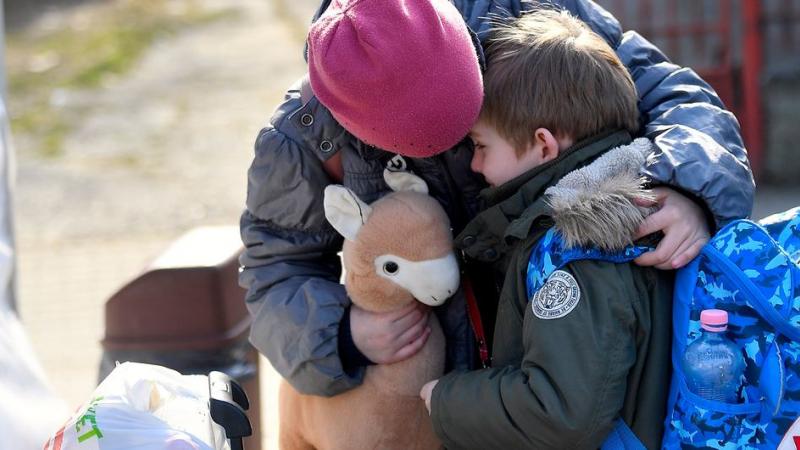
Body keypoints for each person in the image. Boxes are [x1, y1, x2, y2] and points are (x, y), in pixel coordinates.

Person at [240, 0, 753, 399]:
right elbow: (273, 271)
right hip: (439, 396)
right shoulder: (304, 135)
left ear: (464, 49)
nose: (472, 162)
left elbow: (674, 95)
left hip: (587, 366)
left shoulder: (529, 19)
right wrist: (343, 335)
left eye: (471, 133)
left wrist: (687, 189)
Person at [418, 10, 672, 448]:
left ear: (543, 144)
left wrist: (445, 398)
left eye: (481, 146)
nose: (475, 165)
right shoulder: (591, 220)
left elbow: (561, 411)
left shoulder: (578, 248)